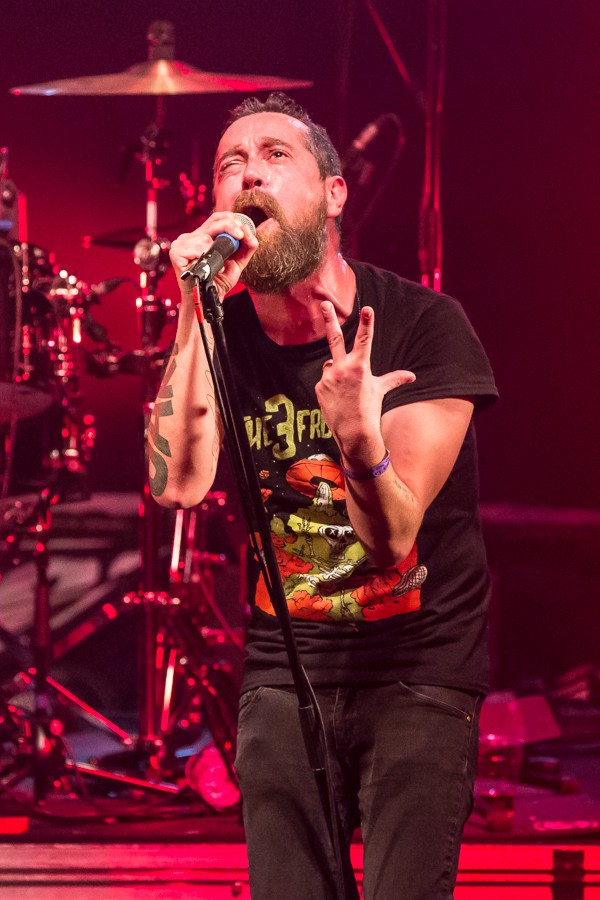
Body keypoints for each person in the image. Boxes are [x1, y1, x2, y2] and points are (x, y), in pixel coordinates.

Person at [148, 92, 497, 900]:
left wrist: (358, 432)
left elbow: (393, 535)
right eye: (230, 164)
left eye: (275, 155)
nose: (248, 174)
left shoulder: (423, 325)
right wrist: (195, 305)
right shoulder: (220, 332)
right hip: (283, 664)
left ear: (334, 194)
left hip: (417, 666)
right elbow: (178, 484)